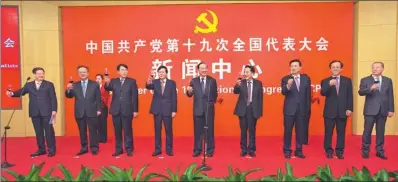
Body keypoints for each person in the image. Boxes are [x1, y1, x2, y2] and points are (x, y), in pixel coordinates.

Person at [6, 67, 57, 157]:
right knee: (38, 132)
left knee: (49, 131)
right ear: (34, 75)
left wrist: (54, 110)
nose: (41, 75)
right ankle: (41, 149)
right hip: (34, 112)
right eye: (39, 73)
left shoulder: (49, 84)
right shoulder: (29, 85)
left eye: (42, 73)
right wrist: (12, 93)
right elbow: (21, 92)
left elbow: (53, 98)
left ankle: (51, 150)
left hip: (47, 112)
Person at [358, 62, 394, 160]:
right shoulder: (365, 80)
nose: (375, 69)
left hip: (383, 110)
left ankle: (380, 151)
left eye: (377, 67)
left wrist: (391, 109)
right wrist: (370, 88)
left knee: (380, 132)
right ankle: (365, 151)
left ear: (382, 69)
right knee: (367, 131)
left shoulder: (388, 80)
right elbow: (360, 92)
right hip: (370, 110)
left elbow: (390, 96)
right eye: (373, 67)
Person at [320, 60, 353, 159]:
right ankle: (329, 151)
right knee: (328, 132)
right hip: (329, 111)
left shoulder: (347, 80)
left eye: (337, 67)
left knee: (341, 132)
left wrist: (349, 108)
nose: (335, 68)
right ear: (330, 69)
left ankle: (339, 151)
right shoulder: (325, 81)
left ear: (341, 69)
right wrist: (329, 84)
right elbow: (323, 93)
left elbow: (349, 96)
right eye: (333, 67)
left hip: (343, 111)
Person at [65, 65, 101, 156]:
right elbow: (69, 96)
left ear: (88, 73)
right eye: (80, 72)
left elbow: (98, 98)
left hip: (92, 110)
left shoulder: (94, 84)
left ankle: (94, 148)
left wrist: (99, 109)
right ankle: (84, 148)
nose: (82, 74)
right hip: (79, 111)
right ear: (78, 74)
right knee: (82, 131)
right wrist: (68, 90)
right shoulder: (74, 85)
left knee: (93, 130)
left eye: (84, 72)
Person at [104, 64, 138, 157]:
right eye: (122, 70)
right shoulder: (114, 81)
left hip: (127, 109)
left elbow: (135, 97)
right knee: (117, 131)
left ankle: (129, 149)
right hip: (115, 109)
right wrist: (107, 82)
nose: (124, 72)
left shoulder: (132, 81)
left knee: (128, 131)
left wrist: (135, 110)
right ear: (118, 72)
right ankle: (118, 149)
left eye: (126, 70)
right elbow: (107, 88)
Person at [281, 59, 311, 159]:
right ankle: (287, 150)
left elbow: (308, 95)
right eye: (292, 66)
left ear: (300, 68)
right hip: (289, 109)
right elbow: (284, 92)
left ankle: (299, 150)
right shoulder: (285, 79)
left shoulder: (305, 79)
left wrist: (307, 109)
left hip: (302, 109)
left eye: (295, 66)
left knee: (300, 131)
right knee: (288, 131)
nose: (293, 68)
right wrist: (288, 85)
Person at [186, 62, 218, 157]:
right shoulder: (194, 81)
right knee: (198, 130)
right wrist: (188, 91)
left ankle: (210, 150)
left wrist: (210, 103)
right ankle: (197, 149)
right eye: (202, 68)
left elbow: (215, 95)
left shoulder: (212, 80)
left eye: (205, 68)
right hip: (198, 108)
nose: (204, 70)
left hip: (209, 109)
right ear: (198, 70)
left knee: (210, 130)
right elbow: (190, 95)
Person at [146, 65, 177, 156]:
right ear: (158, 73)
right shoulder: (154, 82)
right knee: (157, 130)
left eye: (163, 72)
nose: (161, 73)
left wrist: (174, 110)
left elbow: (174, 97)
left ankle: (169, 149)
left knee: (168, 131)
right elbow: (148, 86)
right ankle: (157, 149)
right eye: (159, 72)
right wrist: (149, 79)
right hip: (157, 110)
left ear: (166, 73)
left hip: (168, 110)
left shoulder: (172, 83)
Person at [233, 65, 263, 157]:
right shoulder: (241, 82)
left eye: (247, 72)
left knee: (252, 130)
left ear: (252, 73)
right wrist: (237, 85)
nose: (245, 74)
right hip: (243, 109)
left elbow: (260, 98)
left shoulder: (258, 83)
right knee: (243, 130)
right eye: (244, 72)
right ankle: (243, 149)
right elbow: (236, 92)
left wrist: (259, 111)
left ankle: (252, 149)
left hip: (253, 109)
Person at [95, 74, 110, 143]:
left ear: (102, 80)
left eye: (99, 79)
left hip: (103, 107)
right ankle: (97, 138)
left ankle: (103, 138)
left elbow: (107, 96)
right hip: (95, 107)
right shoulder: (93, 87)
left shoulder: (105, 87)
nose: (98, 80)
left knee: (103, 123)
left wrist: (101, 97)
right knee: (96, 123)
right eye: (97, 79)